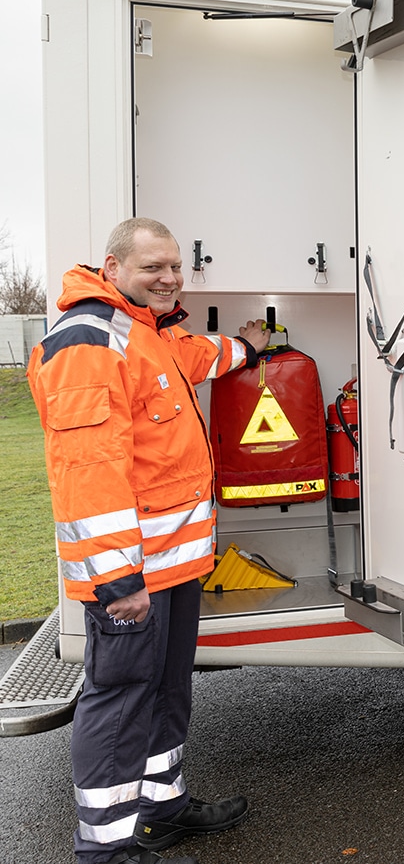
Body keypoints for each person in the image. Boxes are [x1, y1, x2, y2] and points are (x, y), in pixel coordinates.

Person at [28, 218, 269, 864]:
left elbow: (198, 357)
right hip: (131, 578)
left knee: (166, 690)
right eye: (151, 268)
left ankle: (160, 810)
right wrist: (117, 580)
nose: (167, 279)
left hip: (172, 568)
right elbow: (88, 471)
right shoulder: (89, 340)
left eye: (174, 268)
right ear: (112, 268)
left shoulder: (148, 333)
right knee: (122, 700)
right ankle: (106, 851)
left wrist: (248, 347)